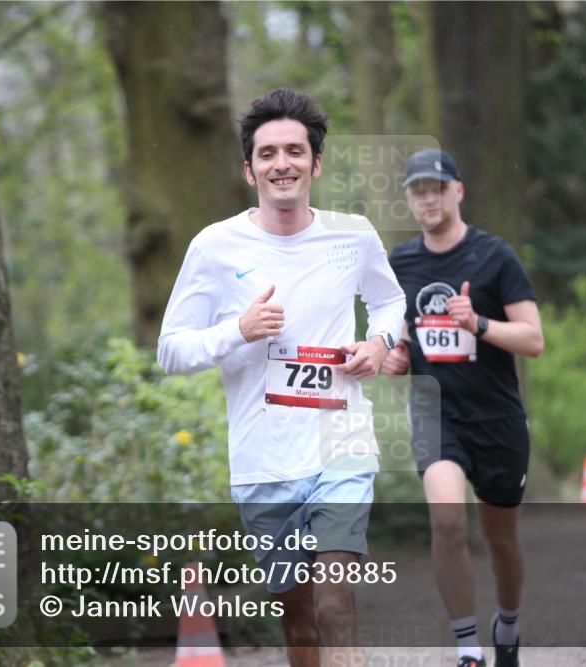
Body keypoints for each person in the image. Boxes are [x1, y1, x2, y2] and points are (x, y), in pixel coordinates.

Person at [157, 88, 406, 667]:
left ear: (315, 164)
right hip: (263, 461)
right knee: (301, 623)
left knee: (334, 604)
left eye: (295, 151)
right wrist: (237, 331)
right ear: (249, 171)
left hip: (341, 443)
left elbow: (390, 302)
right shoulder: (214, 247)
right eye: (267, 153)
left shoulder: (352, 235)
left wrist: (378, 343)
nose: (282, 163)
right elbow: (170, 351)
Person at [382, 149, 543, 667]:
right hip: (437, 416)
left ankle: (508, 626)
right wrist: (395, 355)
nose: (427, 199)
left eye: (436, 188)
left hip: (496, 418)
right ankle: (468, 650)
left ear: (458, 191)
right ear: (409, 199)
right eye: (417, 191)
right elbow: (398, 338)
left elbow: (534, 339)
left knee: (501, 539)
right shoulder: (399, 264)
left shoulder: (495, 256)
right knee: (448, 520)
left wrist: (478, 324)